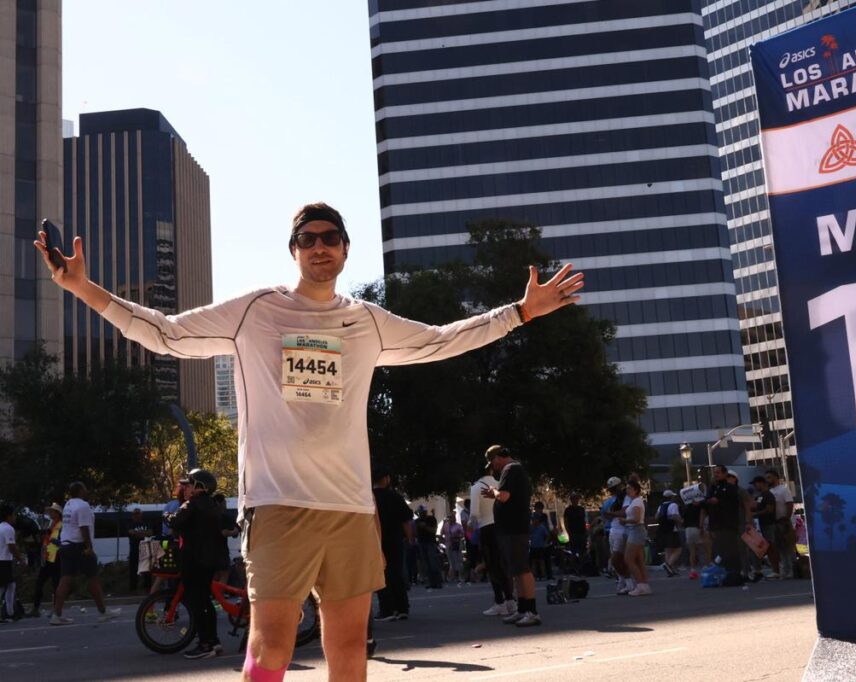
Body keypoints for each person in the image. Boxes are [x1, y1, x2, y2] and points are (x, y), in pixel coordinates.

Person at [37, 201, 583, 680]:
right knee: (271, 644)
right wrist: (83, 287)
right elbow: (165, 333)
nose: (319, 247)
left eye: (330, 238)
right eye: (308, 238)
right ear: (294, 250)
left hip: (347, 508)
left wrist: (519, 313)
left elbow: (440, 342)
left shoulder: (366, 321)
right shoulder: (256, 310)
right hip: (276, 506)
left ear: (346, 250)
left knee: (348, 648)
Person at [165, 469, 225, 659]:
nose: (186, 487)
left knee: (196, 602)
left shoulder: (192, 504)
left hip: (193, 559)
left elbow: (175, 521)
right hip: (210, 559)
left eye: (190, 484)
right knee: (205, 600)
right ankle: (214, 641)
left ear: (199, 486)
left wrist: (166, 515)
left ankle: (205, 644)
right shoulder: (214, 504)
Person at [483, 445, 541, 627]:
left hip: (514, 528)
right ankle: (522, 609)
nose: (494, 468)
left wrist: (494, 493)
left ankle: (532, 611)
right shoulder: (514, 469)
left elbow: (505, 496)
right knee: (516, 570)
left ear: (498, 457)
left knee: (522, 569)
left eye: (493, 462)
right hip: (511, 528)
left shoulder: (511, 469)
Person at [50, 482, 121, 625]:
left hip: (65, 545)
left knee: (65, 580)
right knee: (92, 577)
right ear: (81, 491)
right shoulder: (83, 506)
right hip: (79, 546)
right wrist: (89, 547)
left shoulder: (68, 505)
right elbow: (84, 529)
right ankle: (103, 612)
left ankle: (56, 615)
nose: (87, 490)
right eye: (85, 488)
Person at [470, 465, 515, 617]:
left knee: (492, 565)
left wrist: (470, 526)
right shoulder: (499, 484)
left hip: (487, 528)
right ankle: (510, 599)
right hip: (503, 526)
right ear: (490, 471)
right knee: (504, 563)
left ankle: (499, 602)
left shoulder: (476, 487)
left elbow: (474, 514)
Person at [372, 468, 413, 622]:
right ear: (386, 479)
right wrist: (410, 539)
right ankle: (402, 607)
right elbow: (406, 520)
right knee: (397, 572)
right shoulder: (395, 496)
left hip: (376, 540)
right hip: (395, 539)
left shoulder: (369, 498)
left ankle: (387, 608)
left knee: (380, 575)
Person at [702, 466, 749, 581]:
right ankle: (723, 573)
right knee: (719, 549)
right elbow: (706, 502)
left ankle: (735, 573)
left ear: (725, 474)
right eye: (715, 473)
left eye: (718, 472)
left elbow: (738, 504)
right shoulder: (712, 488)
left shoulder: (731, 488)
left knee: (731, 548)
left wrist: (748, 521)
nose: (716, 475)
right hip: (716, 524)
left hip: (729, 523)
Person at [29, 503, 63, 617]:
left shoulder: (61, 525)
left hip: (56, 558)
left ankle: (55, 609)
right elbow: (47, 540)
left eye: (52, 511)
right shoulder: (51, 524)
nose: (50, 513)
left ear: (57, 513)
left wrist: (54, 541)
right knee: (40, 583)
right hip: (48, 557)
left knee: (56, 584)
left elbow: (62, 542)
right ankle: (35, 608)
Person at [602, 477, 633, 594]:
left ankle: (628, 582)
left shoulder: (626, 498)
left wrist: (610, 513)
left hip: (622, 530)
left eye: (615, 488)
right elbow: (606, 517)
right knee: (616, 559)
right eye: (612, 489)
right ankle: (623, 582)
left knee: (617, 559)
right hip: (612, 529)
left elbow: (624, 513)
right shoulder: (609, 501)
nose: (613, 491)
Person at [621, 480, 651, 596]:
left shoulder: (637, 502)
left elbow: (637, 519)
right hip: (635, 530)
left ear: (635, 490)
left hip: (636, 530)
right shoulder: (634, 501)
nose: (627, 490)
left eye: (629, 488)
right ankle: (644, 585)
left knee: (629, 559)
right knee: (638, 560)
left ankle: (640, 585)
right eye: (627, 488)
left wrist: (624, 520)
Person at [766, 470, 796, 579]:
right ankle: (785, 569)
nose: (767, 479)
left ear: (775, 477)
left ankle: (793, 569)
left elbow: (789, 504)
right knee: (781, 548)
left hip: (784, 523)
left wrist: (786, 519)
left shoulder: (783, 489)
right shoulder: (770, 491)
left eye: (769, 477)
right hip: (775, 523)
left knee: (788, 547)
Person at [0, 505, 25, 622]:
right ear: (9, 516)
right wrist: (20, 559)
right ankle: (9, 613)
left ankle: (10, 612)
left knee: (10, 585)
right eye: (14, 515)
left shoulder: (0, 527)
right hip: (4, 561)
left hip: (3, 560)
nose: (15, 517)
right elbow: (12, 547)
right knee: (4, 587)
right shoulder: (8, 529)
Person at [752, 476, 779, 578]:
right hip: (762, 524)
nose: (755, 486)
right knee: (767, 547)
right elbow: (756, 506)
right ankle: (773, 569)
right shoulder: (761, 496)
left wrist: (756, 514)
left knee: (771, 547)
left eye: (756, 483)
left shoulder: (768, 495)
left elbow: (769, 509)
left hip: (769, 524)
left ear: (761, 483)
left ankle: (776, 570)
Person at [213, 494, 240, 585]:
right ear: (220, 503)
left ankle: (212, 595)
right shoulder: (221, 516)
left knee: (216, 573)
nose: (225, 504)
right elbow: (223, 532)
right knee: (225, 572)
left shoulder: (209, 514)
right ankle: (219, 594)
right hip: (220, 550)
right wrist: (234, 532)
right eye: (224, 502)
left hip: (209, 550)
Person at [414, 507, 443, 590]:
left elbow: (434, 530)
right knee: (426, 564)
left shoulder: (431, 519)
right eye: (420, 512)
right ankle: (430, 582)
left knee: (433, 562)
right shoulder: (417, 521)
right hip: (421, 543)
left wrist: (425, 526)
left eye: (423, 512)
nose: (422, 514)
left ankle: (438, 582)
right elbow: (416, 533)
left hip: (430, 543)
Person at [655, 490, 682, 577]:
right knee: (678, 549)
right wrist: (680, 521)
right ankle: (669, 564)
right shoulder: (673, 505)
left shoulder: (661, 506)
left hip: (662, 529)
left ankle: (670, 570)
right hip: (671, 529)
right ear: (671, 497)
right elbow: (674, 516)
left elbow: (656, 516)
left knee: (668, 550)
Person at [680, 491, 706, 580]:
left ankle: (693, 571)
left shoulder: (687, 507)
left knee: (692, 551)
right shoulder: (701, 506)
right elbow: (701, 517)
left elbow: (682, 520)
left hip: (688, 529)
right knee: (702, 549)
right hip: (697, 528)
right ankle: (704, 568)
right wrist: (701, 527)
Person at [127, 508, 154, 591]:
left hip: (145, 549)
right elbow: (131, 532)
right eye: (135, 514)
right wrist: (143, 534)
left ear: (141, 515)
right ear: (132, 516)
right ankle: (133, 588)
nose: (136, 515)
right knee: (133, 570)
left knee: (146, 570)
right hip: (134, 550)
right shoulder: (130, 524)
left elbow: (150, 533)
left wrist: (137, 533)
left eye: (138, 513)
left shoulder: (147, 523)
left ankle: (148, 588)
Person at [563, 493, 587, 561]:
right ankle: (574, 565)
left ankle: (582, 565)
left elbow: (583, 520)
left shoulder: (581, 509)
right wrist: (568, 532)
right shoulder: (568, 510)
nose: (576, 500)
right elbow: (565, 521)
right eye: (574, 498)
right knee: (573, 551)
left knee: (582, 551)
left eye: (577, 498)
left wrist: (585, 531)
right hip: (573, 532)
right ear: (571, 500)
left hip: (582, 532)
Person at [528, 513, 549, 580]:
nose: (534, 521)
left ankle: (543, 575)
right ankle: (534, 576)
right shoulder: (531, 527)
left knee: (541, 562)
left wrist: (545, 543)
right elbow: (528, 535)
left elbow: (547, 535)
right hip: (533, 547)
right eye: (533, 519)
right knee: (534, 562)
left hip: (540, 547)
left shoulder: (542, 527)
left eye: (535, 519)